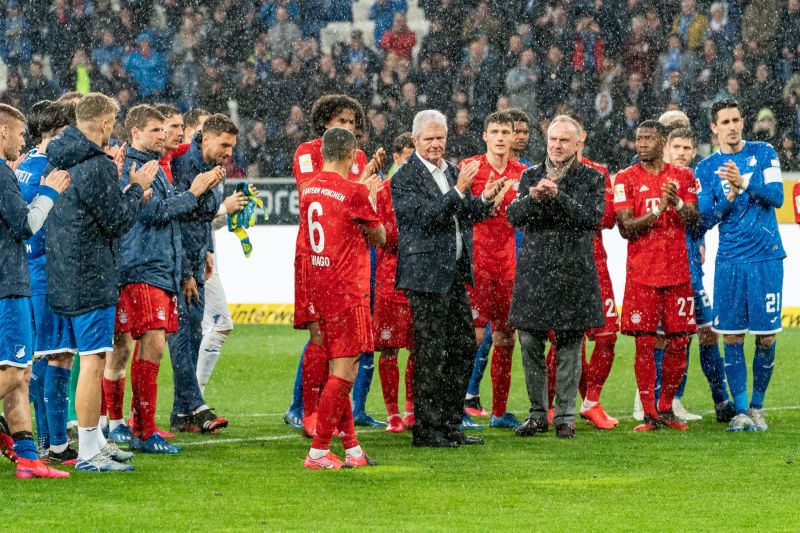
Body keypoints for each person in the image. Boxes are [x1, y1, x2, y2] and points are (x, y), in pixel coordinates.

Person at [46, 92, 155, 472]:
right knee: (93, 361)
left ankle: (95, 442)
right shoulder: (96, 166)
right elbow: (118, 221)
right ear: (106, 125)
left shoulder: (60, 157)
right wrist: (138, 186)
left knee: (76, 360)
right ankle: (90, 452)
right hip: (90, 274)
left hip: (64, 270)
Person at [392, 109, 504, 448]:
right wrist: (458, 191)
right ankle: (427, 429)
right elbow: (424, 219)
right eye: (429, 139)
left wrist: (484, 199)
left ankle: (451, 423)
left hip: (453, 273)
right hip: (425, 276)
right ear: (415, 141)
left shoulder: (453, 171)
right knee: (430, 352)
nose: (436, 144)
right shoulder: (404, 177)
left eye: (440, 138)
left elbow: (463, 213)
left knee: (463, 347)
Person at [112, 105, 221, 453]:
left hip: (157, 267)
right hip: (143, 267)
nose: (163, 136)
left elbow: (169, 210)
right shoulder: (136, 166)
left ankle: (138, 424)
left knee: (141, 346)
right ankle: (142, 429)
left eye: (165, 130)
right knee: (151, 345)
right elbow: (153, 213)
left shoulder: (156, 166)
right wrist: (195, 191)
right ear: (136, 133)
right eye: (155, 130)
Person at [288, 94, 386, 435]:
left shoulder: (358, 157)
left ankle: (334, 419)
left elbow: (359, 203)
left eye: (351, 122)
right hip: (314, 256)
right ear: (325, 122)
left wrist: (368, 188)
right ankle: (308, 412)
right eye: (340, 120)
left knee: (346, 346)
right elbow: (311, 194)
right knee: (319, 337)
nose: (347, 127)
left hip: (350, 259)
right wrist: (362, 187)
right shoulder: (306, 152)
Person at [508, 116, 605, 440]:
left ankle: (565, 417)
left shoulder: (591, 178)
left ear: (578, 143)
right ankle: (537, 414)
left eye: (564, 140)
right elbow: (513, 216)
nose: (557, 145)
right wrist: (534, 197)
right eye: (553, 139)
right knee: (530, 344)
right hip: (535, 272)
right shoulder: (530, 177)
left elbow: (592, 219)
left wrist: (558, 196)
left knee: (569, 347)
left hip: (572, 273)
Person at [696, 99, 785, 432]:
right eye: (725, 121)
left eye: (736, 119)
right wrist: (729, 197)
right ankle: (742, 411)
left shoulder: (764, 153)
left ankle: (758, 407)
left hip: (766, 257)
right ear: (714, 128)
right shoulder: (705, 169)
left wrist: (744, 183)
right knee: (731, 337)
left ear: (743, 121)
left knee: (766, 338)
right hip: (730, 261)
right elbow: (705, 219)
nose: (732, 126)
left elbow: (776, 196)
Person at [614, 119, 701, 432]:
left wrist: (676, 202)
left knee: (679, 341)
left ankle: (666, 408)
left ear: (663, 142)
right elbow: (625, 227)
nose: (641, 144)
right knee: (644, 344)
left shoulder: (683, 176)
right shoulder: (624, 178)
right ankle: (649, 412)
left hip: (677, 272)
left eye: (649, 139)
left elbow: (694, 219)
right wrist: (659, 209)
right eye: (639, 139)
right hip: (642, 275)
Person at [0, 102, 71, 479]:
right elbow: (26, 225)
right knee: (13, 373)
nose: (24, 141)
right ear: (3, 132)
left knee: (21, 374)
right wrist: (49, 192)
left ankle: (28, 458)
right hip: (8, 284)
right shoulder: (0, 173)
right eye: (20, 132)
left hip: (12, 280)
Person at [169, 113, 245, 433]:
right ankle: (197, 406)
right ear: (206, 138)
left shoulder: (214, 168)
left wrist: (209, 250)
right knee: (182, 335)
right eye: (225, 145)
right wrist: (185, 271)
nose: (229, 153)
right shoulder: (184, 166)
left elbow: (203, 217)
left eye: (232, 147)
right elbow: (178, 219)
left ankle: (180, 414)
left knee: (194, 334)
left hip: (199, 261)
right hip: (179, 265)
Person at [16, 100, 78, 465]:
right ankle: (53, 443)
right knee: (56, 357)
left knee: (40, 357)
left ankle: (43, 441)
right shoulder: (52, 169)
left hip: (29, 270)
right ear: (62, 130)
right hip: (47, 272)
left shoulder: (26, 164)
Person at [464, 107, 532, 419]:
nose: (502, 138)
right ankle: (460, 405)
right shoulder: (469, 168)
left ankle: (500, 412)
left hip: (508, 268)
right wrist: (484, 205)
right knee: (474, 337)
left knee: (506, 337)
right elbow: (459, 212)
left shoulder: (523, 174)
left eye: (507, 133)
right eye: (496, 133)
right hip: (477, 266)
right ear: (485, 137)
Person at [666, 128, 735, 423]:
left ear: (694, 151)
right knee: (668, 340)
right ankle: (664, 402)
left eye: (687, 148)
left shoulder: (697, 182)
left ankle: (720, 400)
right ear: (667, 148)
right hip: (663, 271)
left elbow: (701, 223)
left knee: (707, 335)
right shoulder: (657, 176)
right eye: (677, 147)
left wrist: (724, 204)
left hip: (692, 272)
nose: (682, 152)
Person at [375, 133, 417, 432]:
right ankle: (392, 414)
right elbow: (379, 235)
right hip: (390, 280)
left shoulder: (426, 191)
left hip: (419, 279)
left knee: (418, 349)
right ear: (397, 157)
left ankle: (412, 409)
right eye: (408, 156)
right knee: (388, 349)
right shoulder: (383, 192)